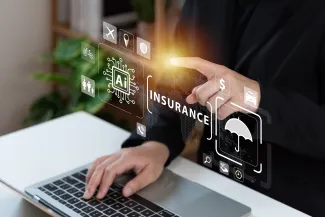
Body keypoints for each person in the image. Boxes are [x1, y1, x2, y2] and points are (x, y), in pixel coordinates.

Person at [84, 0, 325, 216]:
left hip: (295, 201)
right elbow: (181, 77)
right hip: (215, 185)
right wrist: (156, 142)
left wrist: (257, 98)